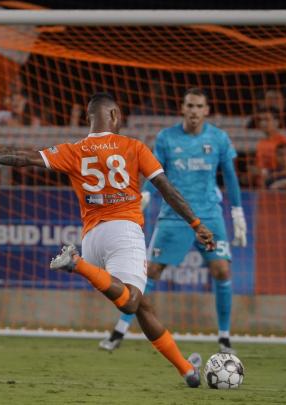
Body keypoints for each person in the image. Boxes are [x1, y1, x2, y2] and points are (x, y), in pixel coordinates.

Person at [0, 92, 213, 387]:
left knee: (143, 307)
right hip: (123, 230)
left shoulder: (74, 150)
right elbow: (166, 188)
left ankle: (187, 371)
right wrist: (196, 223)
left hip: (92, 239)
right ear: (114, 115)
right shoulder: (134, 147)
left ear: (89, 118)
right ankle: (76, 264)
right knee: (132, 303)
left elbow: (24, 158)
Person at [99, 88, 248, 354]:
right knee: (149, 273)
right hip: (173, 216)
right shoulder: (167, 138)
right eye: (189, 105)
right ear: (182, 108)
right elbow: (156, 172)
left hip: (210, 216)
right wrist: (144, 192)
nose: (193, 111)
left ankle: (225, 338)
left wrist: (237, 213)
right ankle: (119, 331)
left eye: (198, 106)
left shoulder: (219, 138)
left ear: (206, 110)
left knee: (222, 271)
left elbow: (230, 177)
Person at [247, 106, 286, 188]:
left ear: (276, 122)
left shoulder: (283, 141)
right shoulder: (261, 143)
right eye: (261, 120)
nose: (263, 123)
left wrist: (265, 173)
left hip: (276, 182)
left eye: (267, 120)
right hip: (260, 183)